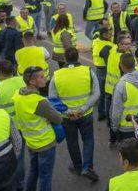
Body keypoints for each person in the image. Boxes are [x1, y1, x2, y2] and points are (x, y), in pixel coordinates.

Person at [49, 47, 101, 182]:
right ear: (78, 57)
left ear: (65, 59)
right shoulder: (88, 71)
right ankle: (87, 167)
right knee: (88, 139)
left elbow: (53, 99)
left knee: (72, 142)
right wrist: (83, 109)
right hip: (86, 114)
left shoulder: (57, 75)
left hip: (67, 118)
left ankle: (77, 167)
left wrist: (68, 112)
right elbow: (96, 93)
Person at [14, 65, 63, 191]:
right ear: (32, 82)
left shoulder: (18, 94)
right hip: (45, 142)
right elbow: (58, 118)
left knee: (33, 170)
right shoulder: (39, 101)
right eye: (41, 77)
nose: (45, 78)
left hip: (31, 142)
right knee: (45, 176)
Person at [109, 52, 138, 146]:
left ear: (121, 66)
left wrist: (114, 127)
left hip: (126, 127)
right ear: (134, 64)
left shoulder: (121, 85)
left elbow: (116, 111)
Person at [91, 27, 114, 122]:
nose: (111, 34)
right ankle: (105, 113)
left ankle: (101, 113)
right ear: (104, 34)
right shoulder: (107, 45)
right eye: (109, 33)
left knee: (100, 91)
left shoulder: (96, 41)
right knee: (107, 93)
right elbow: (108, 61)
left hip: (97, 68)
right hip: (105, 70)